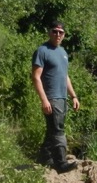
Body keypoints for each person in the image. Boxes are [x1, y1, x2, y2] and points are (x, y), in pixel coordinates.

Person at [31, 21, 80, 173]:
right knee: (58, 130)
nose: (58, 34)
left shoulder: (63, 52)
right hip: (51, 97)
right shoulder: (42, 51)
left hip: (62, 97)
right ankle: (61, 163)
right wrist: (44, 100)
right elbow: (36, 77)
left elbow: (65, 77)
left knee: (52, 129)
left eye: (61, 32)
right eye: (55, 31)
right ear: (49, 32)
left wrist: (73, 96)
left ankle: (43, 158)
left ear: (64, 35)